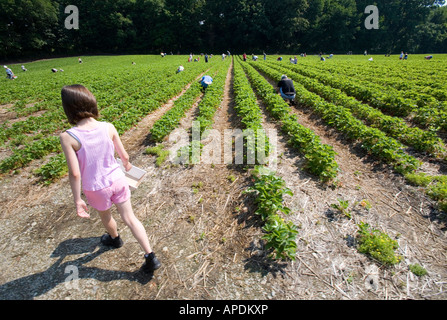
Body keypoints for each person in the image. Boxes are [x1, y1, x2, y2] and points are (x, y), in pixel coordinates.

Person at [59, 84, 161, 275]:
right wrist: (128, 166)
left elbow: (74, 173)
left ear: (68, 109)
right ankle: (150, 256)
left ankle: (114, 238)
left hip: (96, 187)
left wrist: (77, 200)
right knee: (130, 217)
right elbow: (125, 157)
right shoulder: (108, 127)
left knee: (106, 216)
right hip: (118, 179)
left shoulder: (68, 137)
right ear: (91, 102)